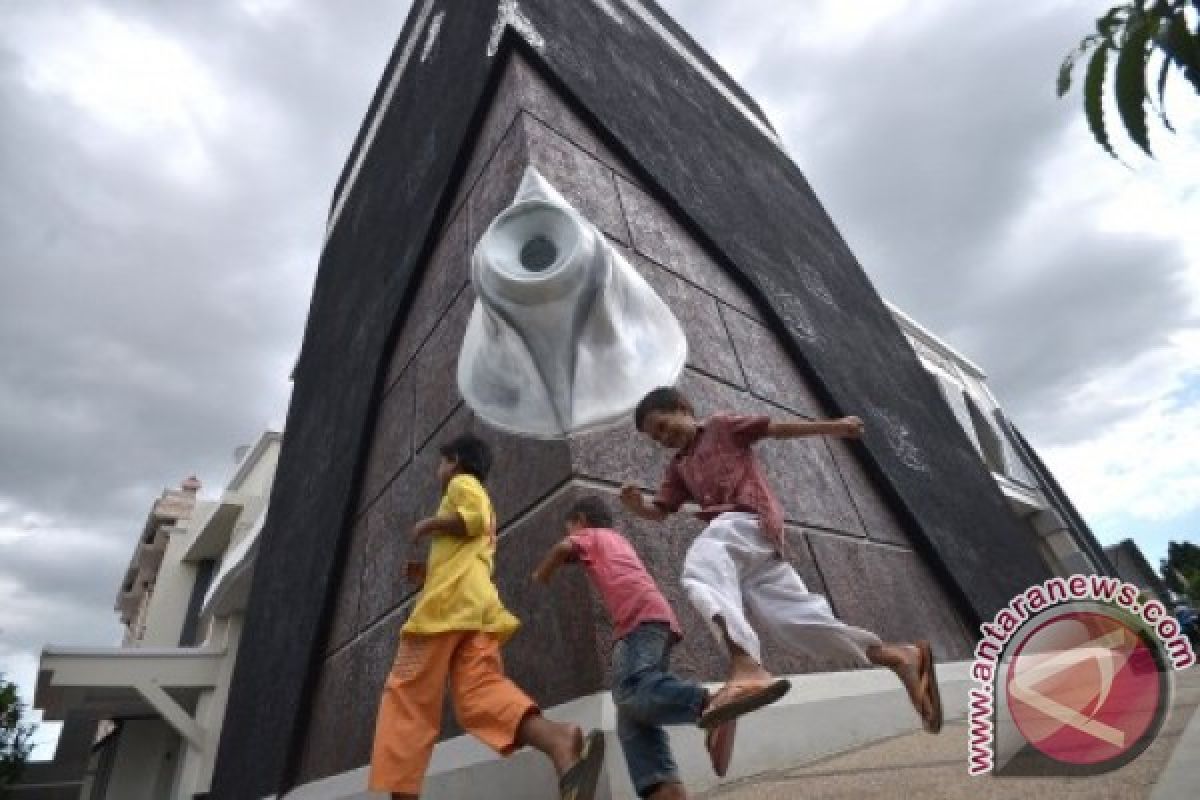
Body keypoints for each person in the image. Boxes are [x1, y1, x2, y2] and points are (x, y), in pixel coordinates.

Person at [619, 387, 942, 733]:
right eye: (657, 438)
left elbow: (775, 428)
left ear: (683, 408)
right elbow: (662, 510)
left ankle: (746, 667)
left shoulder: (721, 427)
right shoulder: (678, 467)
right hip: (752, 556)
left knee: (701, 567)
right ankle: (899, 657)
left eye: (666, 426)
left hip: (748, 521)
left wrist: (835, 427)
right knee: (795, 624)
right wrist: (640, 508)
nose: (665, 438)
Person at [369, 433, 605, 800]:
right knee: (479, 694)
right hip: (474, 609)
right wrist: (428, 573)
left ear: (457, 462)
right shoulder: (477, 501)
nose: (439, 470)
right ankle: (559, 740)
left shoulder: (463, 484)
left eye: (442, 462)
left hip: (445, 611)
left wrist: (430, 524)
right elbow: (468, 549)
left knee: (408, 696)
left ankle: (402, 795)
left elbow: (473, 519)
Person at [533, 495, 739, 799]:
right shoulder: (616, 541)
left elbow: (566, 547)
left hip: (638, 622)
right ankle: (665, 790)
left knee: (630, 689)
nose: (569, 535)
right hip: (654, 620)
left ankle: (708, 704)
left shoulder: (589, 536)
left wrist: (544, 571)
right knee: (634, 723)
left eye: (569, 527)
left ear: (581, 522)